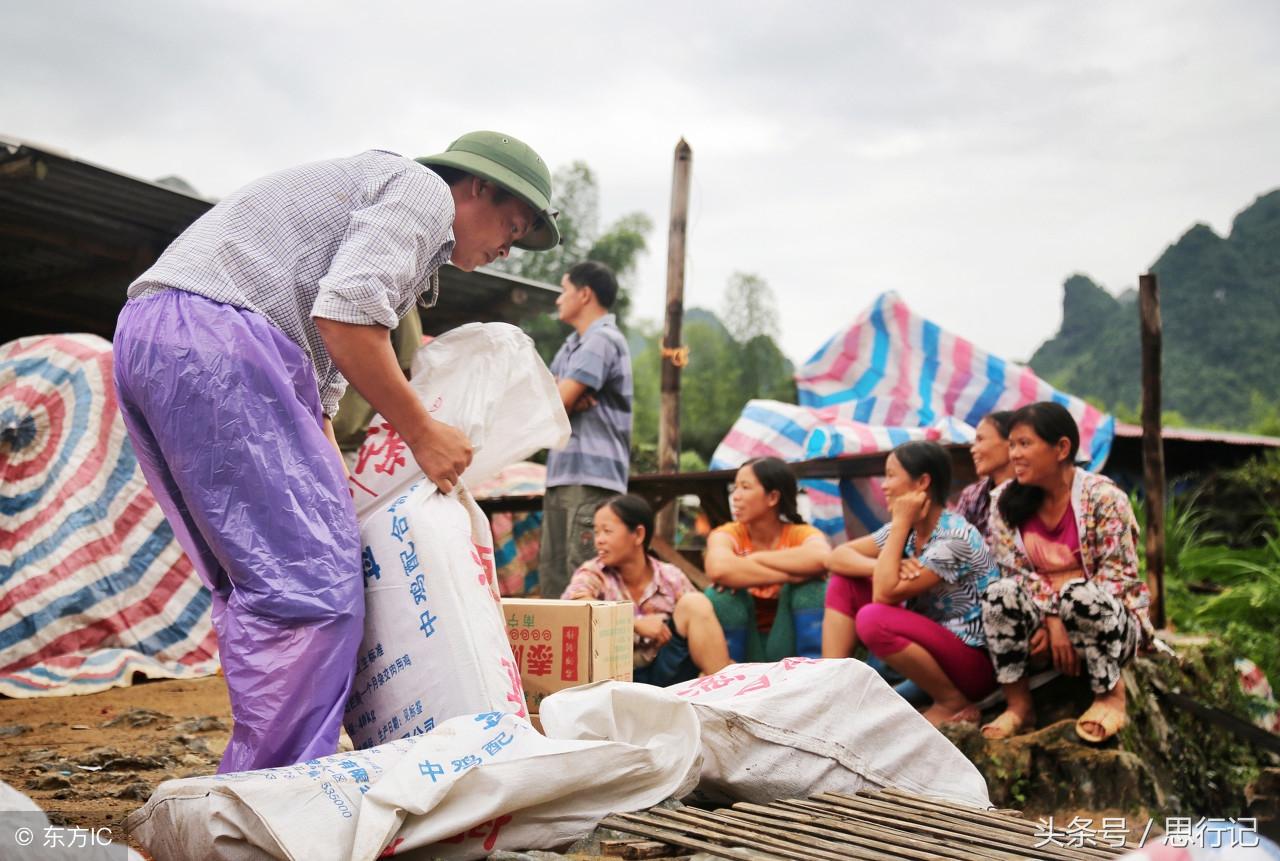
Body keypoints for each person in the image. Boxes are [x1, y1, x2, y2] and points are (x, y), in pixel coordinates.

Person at [112, 131, 560, 773]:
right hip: (220, 341)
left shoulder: (379, 220)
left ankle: (266, 777)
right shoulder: (423, 192)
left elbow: (319, 394)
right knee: (311, 584)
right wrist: (423, 432)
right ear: (476, 187)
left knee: (272, 575)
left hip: (159, 337)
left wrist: (342, 497)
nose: (504, 248)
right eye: (510, 227)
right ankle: (279, 793)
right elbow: (347, 320)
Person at [980, 402, 1151, 743]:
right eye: (1011, 444)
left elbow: (1117, 578)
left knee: (1081, 595)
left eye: (1025, 444)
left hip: (1110, 623)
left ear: (1061, 448)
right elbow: (1015, 574)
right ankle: (1019, 705)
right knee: (998, 594)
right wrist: (1052, 619)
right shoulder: (1003, 502)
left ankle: (1111, 697)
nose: (1014, 454)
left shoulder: (1104, 499)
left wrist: (1065, 615)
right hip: (1045, 625)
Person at [823, 441, 999, 726]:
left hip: (972, 664)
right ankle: (831, 685)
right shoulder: (905, 531)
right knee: (844, 581)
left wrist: (901, 523)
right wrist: (884, 564)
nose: (883, 486)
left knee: (873, 618)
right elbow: (837, 557)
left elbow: (883, 594)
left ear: (922, 482)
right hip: (929, 657)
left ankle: (952, 701)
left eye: (891, 475)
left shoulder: (954, 537)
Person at [538, 261, 634, 599]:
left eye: (564, 290)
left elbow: (555, 401)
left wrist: (561, 398)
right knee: (553, 577)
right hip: (563, 473)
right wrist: (560, 397)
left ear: (585, 294)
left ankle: (586, 654)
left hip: (590, 479)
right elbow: (539, 397)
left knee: (583, 581)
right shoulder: (572, 346)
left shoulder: (602, 340)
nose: (558, 299)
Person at [562, 495, 732, 684]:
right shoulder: (594, 572)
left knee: (695, 603)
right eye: (596, 532)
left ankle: (724, 694)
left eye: (607, 531)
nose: (599, 540)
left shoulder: (670, 576)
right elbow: (573, 605)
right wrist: (632, 623)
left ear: (638, 534)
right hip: (612, 677)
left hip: (666, 672)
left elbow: (701, 621)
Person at [704, 457, 829, 662]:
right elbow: (719, 568)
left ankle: (813, 670)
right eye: (734, 488)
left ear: (772, 497)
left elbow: (821, 557)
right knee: (720, 594)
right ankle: (728, 677)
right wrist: (793, 575)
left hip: (788, 637)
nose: (736, 496)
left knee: (812, 587)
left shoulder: (800, 533)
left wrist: (752, 561)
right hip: (746, 640)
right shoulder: (728, 533)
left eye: (745, 487)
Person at [954, 410, 1015, 547]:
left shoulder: (1033, 493)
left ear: (1011, 442)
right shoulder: (972, 495)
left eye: (980, 439)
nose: (973, 450)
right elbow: (951, 543)